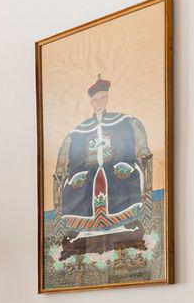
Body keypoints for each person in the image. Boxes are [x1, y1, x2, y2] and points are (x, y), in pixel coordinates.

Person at [52, 74, 152, 258]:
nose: (99, 102)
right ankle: (80, 230)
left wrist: (122, 162)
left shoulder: (122, 122)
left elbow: (131, 148)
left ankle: (126, 224)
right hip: (86, 169)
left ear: (107, 98)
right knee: (82, 180)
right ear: (91, 102)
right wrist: (77, 172)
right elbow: (73, 157)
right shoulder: (79, 131)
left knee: (119, 174)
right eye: (96, 100)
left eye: (103, 98)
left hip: (116, 165)